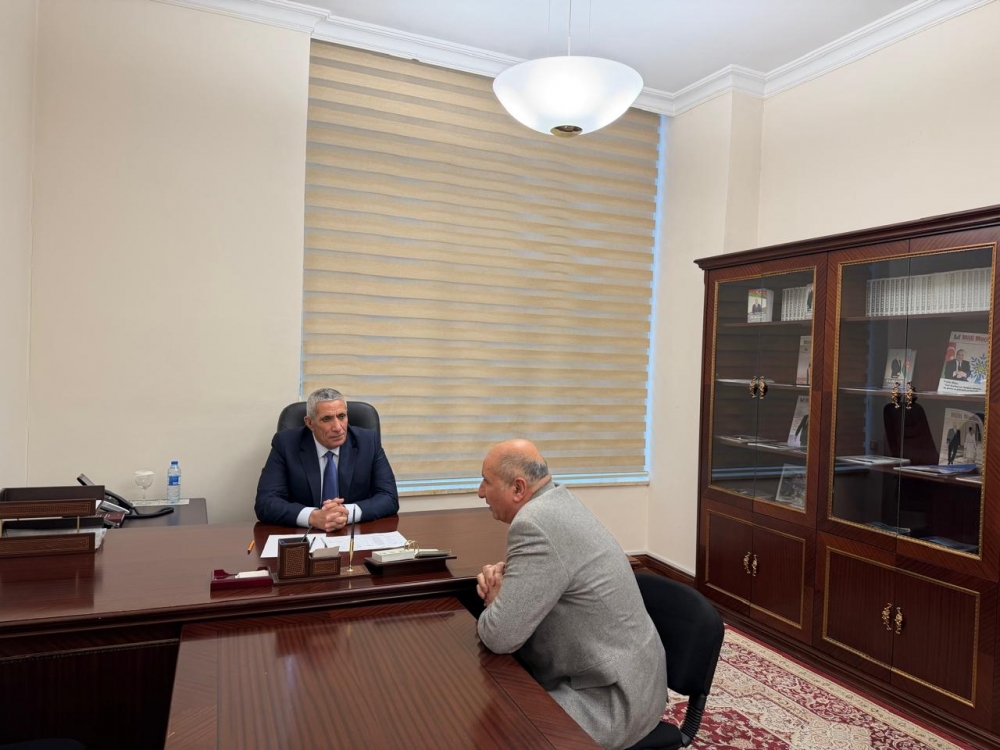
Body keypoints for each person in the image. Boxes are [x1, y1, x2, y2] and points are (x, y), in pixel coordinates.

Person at [475, 439, 667, 750]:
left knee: (496, 732)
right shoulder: (557, 502)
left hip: (610, 699)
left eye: (486, 481)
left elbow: (500, 636)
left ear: (518, 488)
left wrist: (495, 600)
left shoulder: (534, 524)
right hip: (636, 680)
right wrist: (508, 588)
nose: (480, 492)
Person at [254, 388, 398, 529]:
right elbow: (265, 502)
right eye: (327, 419)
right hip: (304, 535)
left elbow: (389, 497)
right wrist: (312, 517)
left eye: (341, 416)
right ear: (310, 423)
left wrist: (346, 513)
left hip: (352, 533)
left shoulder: (368, 442)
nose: (337, 427)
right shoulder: (286, 444)